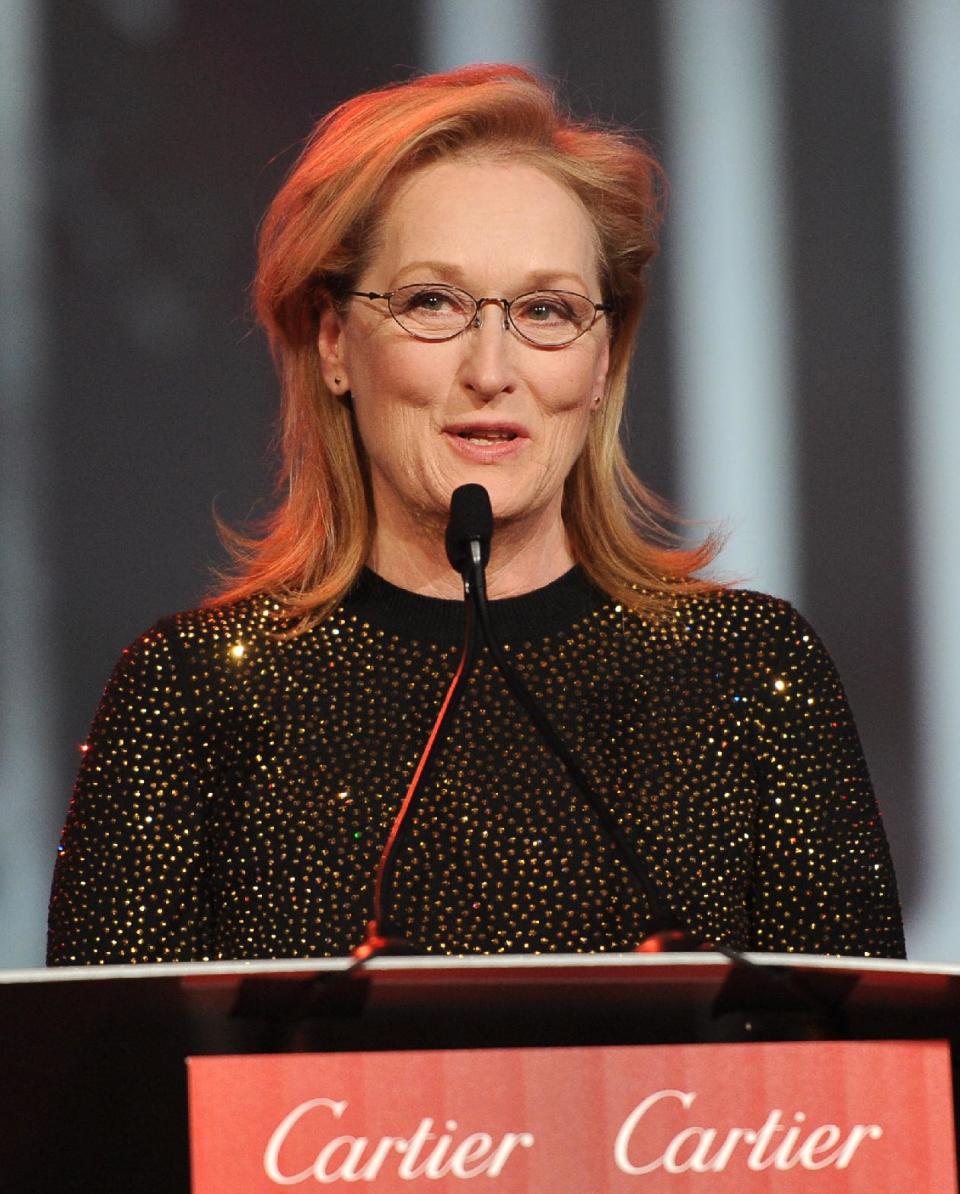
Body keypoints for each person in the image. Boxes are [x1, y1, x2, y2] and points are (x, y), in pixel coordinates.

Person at [46, 64, 904, 966]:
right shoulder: (193, 699)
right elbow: (106, 1089)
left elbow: (865, 1086)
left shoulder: (752, 676)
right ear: (334, 341)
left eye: (546, 310)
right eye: (433, 303)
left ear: (603, 358)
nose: (491, 368)